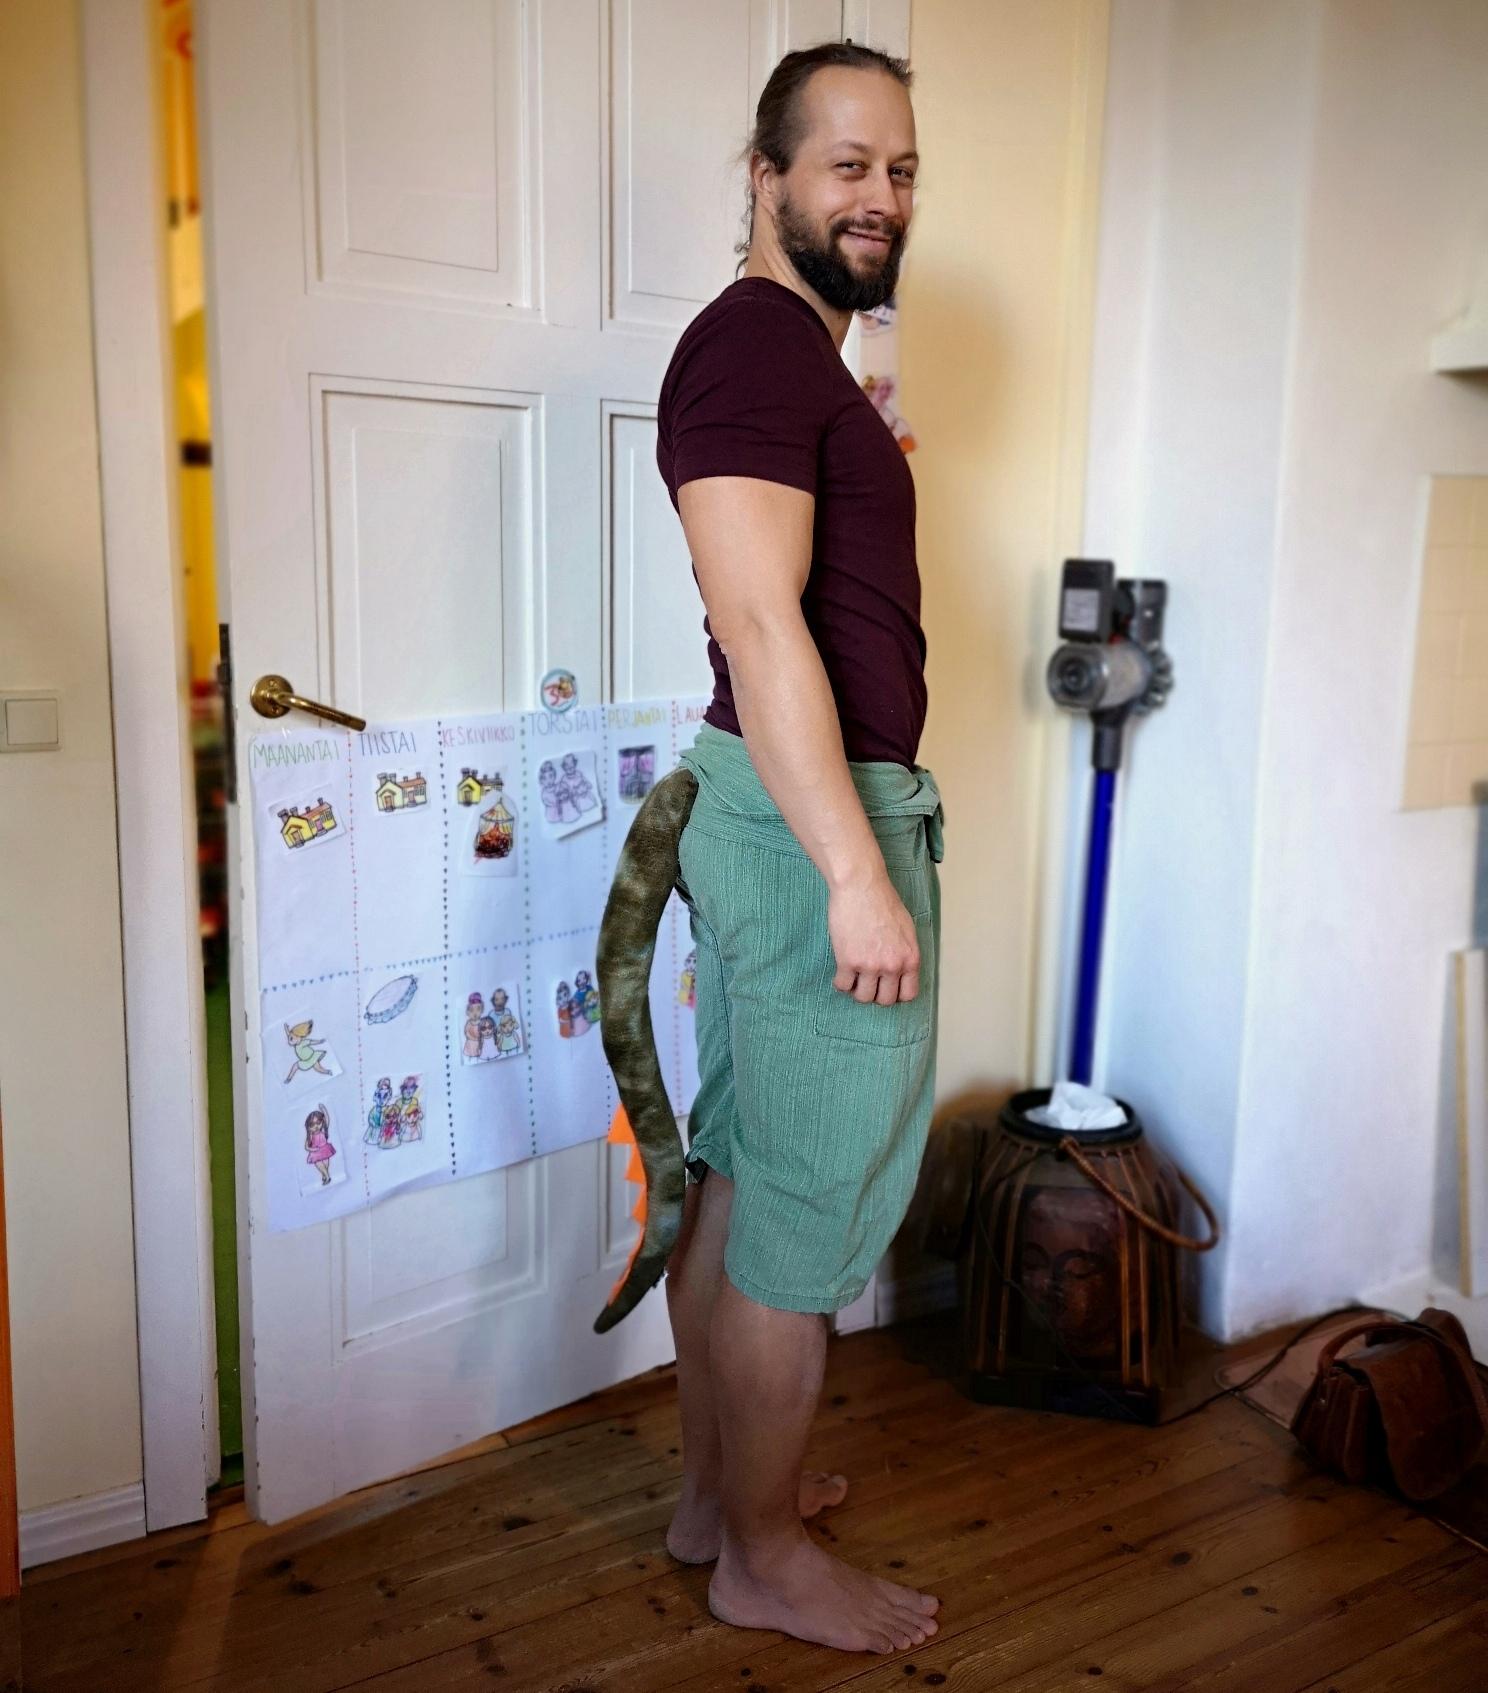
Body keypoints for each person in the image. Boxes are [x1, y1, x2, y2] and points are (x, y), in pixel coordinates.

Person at [655, 41, 943, 1658]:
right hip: (809, 820)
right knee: (802, 1208)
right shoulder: (758, 347)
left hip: (772, 809)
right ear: (765, 177)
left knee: (747, 1169)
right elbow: (762, 628)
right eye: (846, 164)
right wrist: (855, 869)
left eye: (900, 169)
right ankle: (762, 1556)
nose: (880, 195)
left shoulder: (785, 359)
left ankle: (720, 1499)